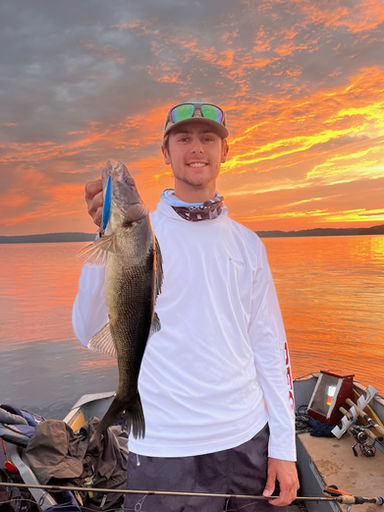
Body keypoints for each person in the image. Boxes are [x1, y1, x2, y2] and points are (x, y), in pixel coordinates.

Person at [72, 101, 299, 511]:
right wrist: (104, 236)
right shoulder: (140, 234)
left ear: (224, 151)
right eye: (184, 138)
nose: (197, 148)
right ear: (165, 151)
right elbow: (86, 329)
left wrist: (284, 446)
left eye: (209, 138)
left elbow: (270, 347)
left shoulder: (248, 244)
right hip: (164, 447)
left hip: (247, 441)